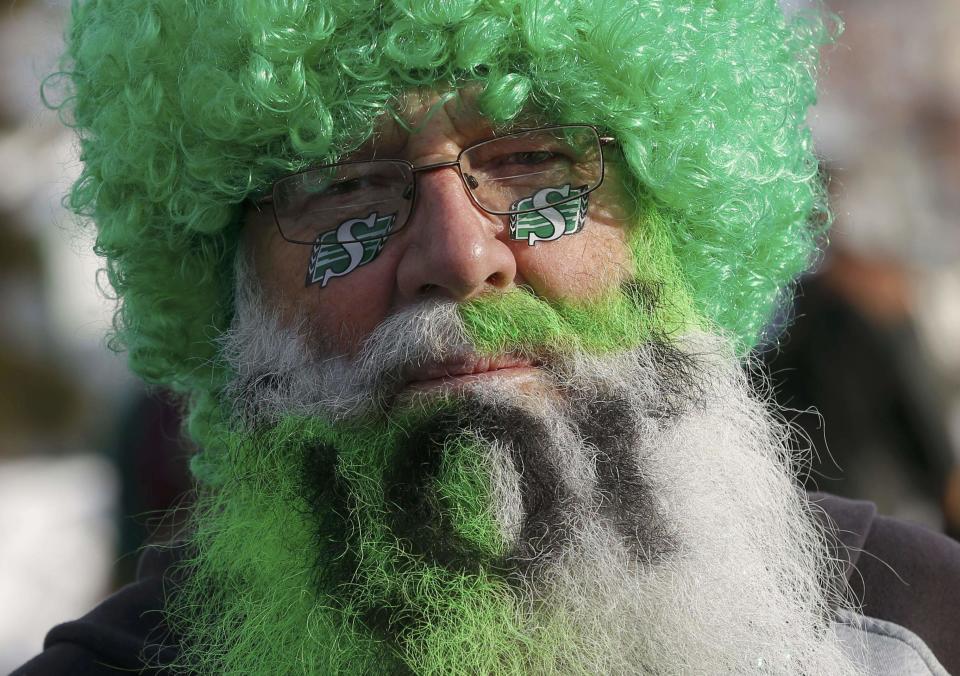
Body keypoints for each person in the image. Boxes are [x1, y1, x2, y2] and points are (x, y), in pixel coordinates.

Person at [15, 1, 960, 674]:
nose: (460, 255)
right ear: (225, 284)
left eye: (531, 160)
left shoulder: (922, 632)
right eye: (344, 182)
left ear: (678, 213)